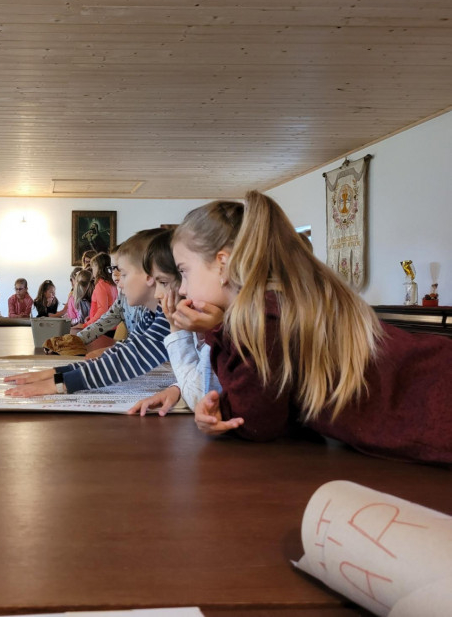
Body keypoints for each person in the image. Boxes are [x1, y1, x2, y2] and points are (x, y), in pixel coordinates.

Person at [181, 191, 452, 465]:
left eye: (184, 271)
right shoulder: (275, 304)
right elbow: (275, 406)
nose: (182, 289)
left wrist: (217, 331)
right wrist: (221, 409)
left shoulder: (264, 316)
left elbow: (256, 423)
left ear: (222, 263)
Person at [4, 229, 175, 398]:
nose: (119, 283)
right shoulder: (153, 314)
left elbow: (128, 360)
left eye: (123, 274)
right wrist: (56, 372)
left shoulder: (169, 315)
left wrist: (59, 383)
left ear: (149, 275)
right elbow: (128, 348)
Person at [127, 229, 222, 416]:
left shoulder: (214, 326)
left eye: (163, 282)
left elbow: (200, 397)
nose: (157, 294)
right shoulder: (200, 323)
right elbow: (200, 378)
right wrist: (177, 389)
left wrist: (176, 329)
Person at [70, 232, 160, 358]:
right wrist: (75, 341)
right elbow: (105, 321)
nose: (115, 274)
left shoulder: (153, 307)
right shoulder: (122, 298)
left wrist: (105, 353)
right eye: (112, 268)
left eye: (122, 271)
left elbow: (144, 345)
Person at [80, 252, 118, 327]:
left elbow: (102, 311)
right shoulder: (112, 283)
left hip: (102, 327)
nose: (92, 270)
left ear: (99, 267)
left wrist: (86, 325)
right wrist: (91, 317)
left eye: (93, 267)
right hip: (111, 325)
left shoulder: (101, 285)